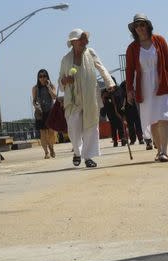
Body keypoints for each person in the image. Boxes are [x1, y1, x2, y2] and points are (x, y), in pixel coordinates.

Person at [126, 13, 168, 162]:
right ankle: (158, 149)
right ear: (134, 29)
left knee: (163, 117)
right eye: (137, 26)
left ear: (148, 26)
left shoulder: (160, 41)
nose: (140, 28)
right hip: (144, 87)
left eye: (142, 25)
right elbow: (129, 70)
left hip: (162, 84)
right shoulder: (132, 48)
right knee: (153, 121)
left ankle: (164, 151)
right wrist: (129, 90)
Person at [59, 28, 115, 167]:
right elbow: (60, 79)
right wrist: (65, 81)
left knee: (91, 126)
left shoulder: (90, 53)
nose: (85, 42)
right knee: (74, 126)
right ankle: (77, 152)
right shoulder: (65, 59)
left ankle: (88, 156)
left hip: (90, 96)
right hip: (73, 99)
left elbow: (101, 67)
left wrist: (109, 83)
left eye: (85, 39)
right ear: (73, 42)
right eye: (82, 39)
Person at [32, 69, 57, 159]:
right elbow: (34, 101)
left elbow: (54, 97)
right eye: (40, 76)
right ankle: (46, 152)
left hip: (50, 111)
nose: (42, 78)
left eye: (44, 76)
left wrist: (49, 87)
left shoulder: (51, 86)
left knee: (51, 133)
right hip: (40, 113)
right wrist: (36, 106)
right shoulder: (35, 88)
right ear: (38, 78)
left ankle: (51, 147)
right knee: (43, 134)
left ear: (47, 77)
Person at [101, 77, 127, 147]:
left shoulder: (118, 89)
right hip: (110, 112)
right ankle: (115, 140)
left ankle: (123, 138)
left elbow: (120, 97)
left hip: (118, 111)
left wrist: (112, 94)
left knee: (120, 125)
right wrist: (106, 96)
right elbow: (103, 101)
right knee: (113, 127)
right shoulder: (105, 91)